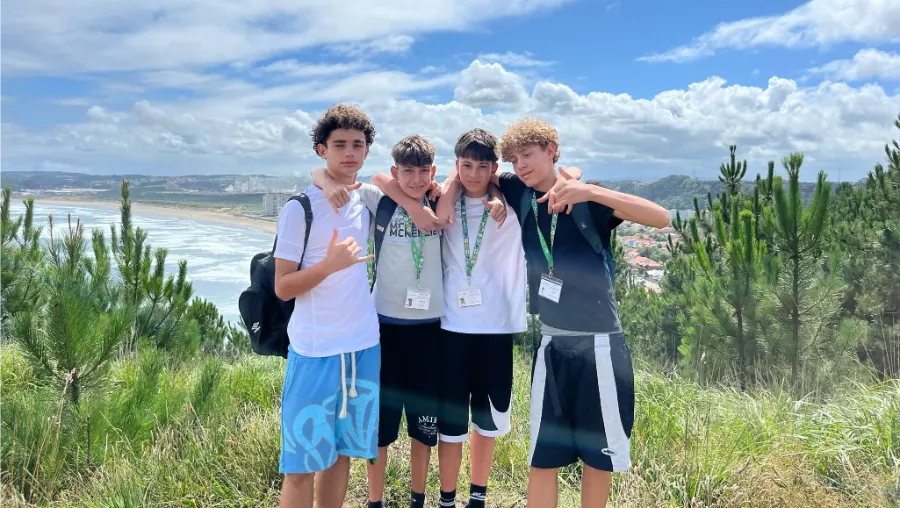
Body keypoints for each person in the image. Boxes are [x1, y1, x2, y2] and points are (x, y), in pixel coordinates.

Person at [494, 117, 670, 508]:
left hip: (600, 344)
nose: (520, 165)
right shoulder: (518, 192)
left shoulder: (590, 200)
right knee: (542, 455)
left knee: (599, 456)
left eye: (528, 155)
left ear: (551, 151)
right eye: (515, 159)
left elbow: (661, 218)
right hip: (552, 343)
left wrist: (584, 186)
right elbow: (466, 175)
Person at [272, 103, 381, 508]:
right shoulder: (298, 209)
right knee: (301, 462)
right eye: (340, 145)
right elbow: (283, 287)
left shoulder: (366, 200)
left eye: (358, 144)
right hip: (315, 351)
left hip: (363, 345)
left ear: (368, 151)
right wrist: (329, 265)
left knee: (341, 455)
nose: (349, 152)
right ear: (322, 150)